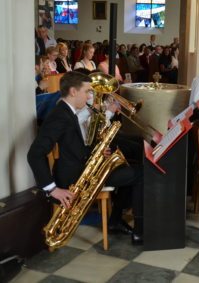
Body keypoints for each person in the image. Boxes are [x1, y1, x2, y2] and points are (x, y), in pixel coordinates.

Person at [27, 71, 144, 244]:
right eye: (87, 91)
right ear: (73, 92)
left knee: (129, 168)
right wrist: (52, 189)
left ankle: (116, 220)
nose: (90, 95)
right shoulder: (60, 115)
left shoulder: (68, 111)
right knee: (141, 173)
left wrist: (95, 152)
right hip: (76, 177)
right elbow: (34, 154)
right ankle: (139, 231)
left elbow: (74, 146)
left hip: (81, 167)